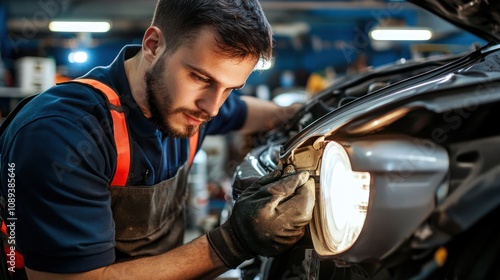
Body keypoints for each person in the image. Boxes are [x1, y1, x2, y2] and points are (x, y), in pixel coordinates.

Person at [0, 0, 316, 279]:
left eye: (230, 88)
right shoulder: (63, 134)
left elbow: (250, 112)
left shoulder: (191, 106)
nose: (212, 108)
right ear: (153, 46)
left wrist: (301, 112)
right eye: (201, 78)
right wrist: (234, 241)